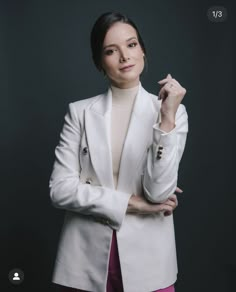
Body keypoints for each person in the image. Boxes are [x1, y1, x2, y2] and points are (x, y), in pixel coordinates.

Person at [49, 11, 188, 292]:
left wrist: (166, 119)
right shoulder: (79, 113)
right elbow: (60, 190)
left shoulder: (173, 113)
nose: (125, 56)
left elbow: (159, 192)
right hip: (84, 260)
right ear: (100, 62)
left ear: (143, 51)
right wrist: (131, 204)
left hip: (150, 261)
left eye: (131, 44)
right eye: (111, 51)